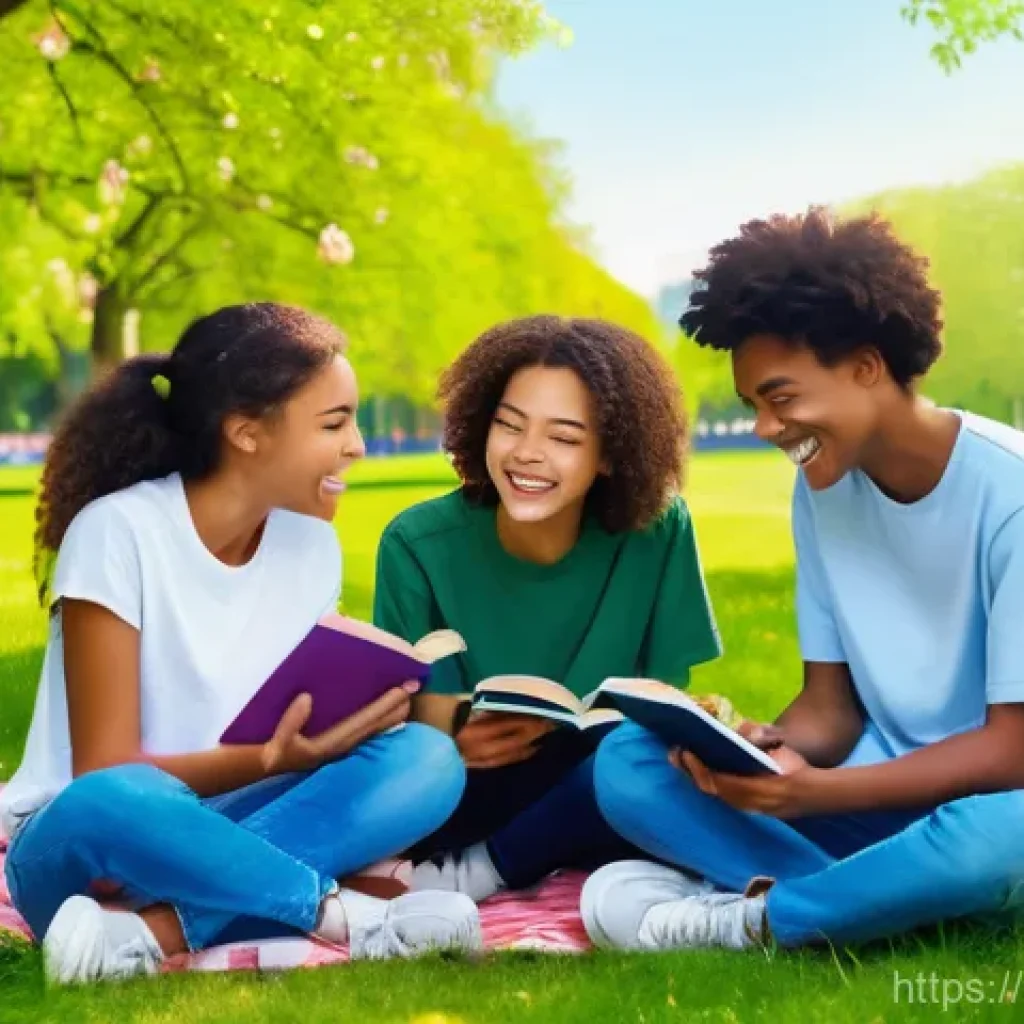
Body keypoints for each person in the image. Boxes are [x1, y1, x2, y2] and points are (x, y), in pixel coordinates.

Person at [582, 208, 1024, 952]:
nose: (763, 426)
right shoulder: (823, 490)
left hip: (988, 802)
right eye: (754, 403)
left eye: (780, 397)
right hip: (877, 797)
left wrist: (817, 792)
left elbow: (1012, 751)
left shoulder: (1009, 493)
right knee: (628, 762)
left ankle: (758, 920)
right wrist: (762, 748)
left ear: (865, 367)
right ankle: (868, 902)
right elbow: (831, 709)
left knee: (1004, 832)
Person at [1, 303, 481, 985]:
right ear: (247, 433)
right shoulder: (118, 534)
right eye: (334, 423)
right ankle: (343, 918)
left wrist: (353, 718)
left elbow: (296, 713)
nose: (357, 447)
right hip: (94, 846)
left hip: (239, 823)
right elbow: (104, 771)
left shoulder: (310, 544)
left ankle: (145, 935)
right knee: (118, 796)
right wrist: (268, 757)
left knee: (427, 760)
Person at [372, 315, 721, 902]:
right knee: (416, 775)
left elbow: (663, 690)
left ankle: (486, 868)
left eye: (563, 438)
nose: (526, 454)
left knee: (638, 766)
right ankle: (535, 855)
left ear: (610, 455)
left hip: (609, 771)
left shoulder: (659, 529)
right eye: (509, 426)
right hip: (474, 786)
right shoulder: (415, 542)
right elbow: (429, 714)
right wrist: (456, 739)